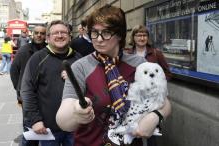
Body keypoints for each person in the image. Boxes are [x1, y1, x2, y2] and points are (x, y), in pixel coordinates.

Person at [56, 5, 171, 146]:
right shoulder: (81, 67)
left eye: (106, 32)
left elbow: (163, 101)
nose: (98, 39)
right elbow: (63, 120)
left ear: (120, 35)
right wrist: (76, 112)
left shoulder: (139, 65)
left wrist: (156, 116)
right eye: (94, 32)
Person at [20, 20, 81, 146]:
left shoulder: (79, 59)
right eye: (55, 33)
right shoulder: (37, 59)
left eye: (63, 32)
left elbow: (90, 88)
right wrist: (35, 120)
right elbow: (26, 90)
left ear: (70, 36)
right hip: (49, 129)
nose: (59, 35)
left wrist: (75, 78)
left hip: (76, 127)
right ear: (48, 38)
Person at [128, 25, 172, 146]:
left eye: (144, 35)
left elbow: (167, 72)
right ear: (133, 37)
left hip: (152, 99)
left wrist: (158, 85)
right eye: (139, 35)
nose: (142, 38)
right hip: (135, 97)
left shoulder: (156, 53)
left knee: (150, 128)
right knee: (133, 127)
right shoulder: (127, 53)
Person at [10, 24, 47, 146]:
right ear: (33, 34)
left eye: (42, 33)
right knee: (29, 126)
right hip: (27, 95)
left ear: (45, 35)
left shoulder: (48, 49)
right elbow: (14, 70)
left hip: (44, 94)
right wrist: (19, 88)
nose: (39, 35)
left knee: (43, 125)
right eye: (36, 33)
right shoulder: (24, 50)